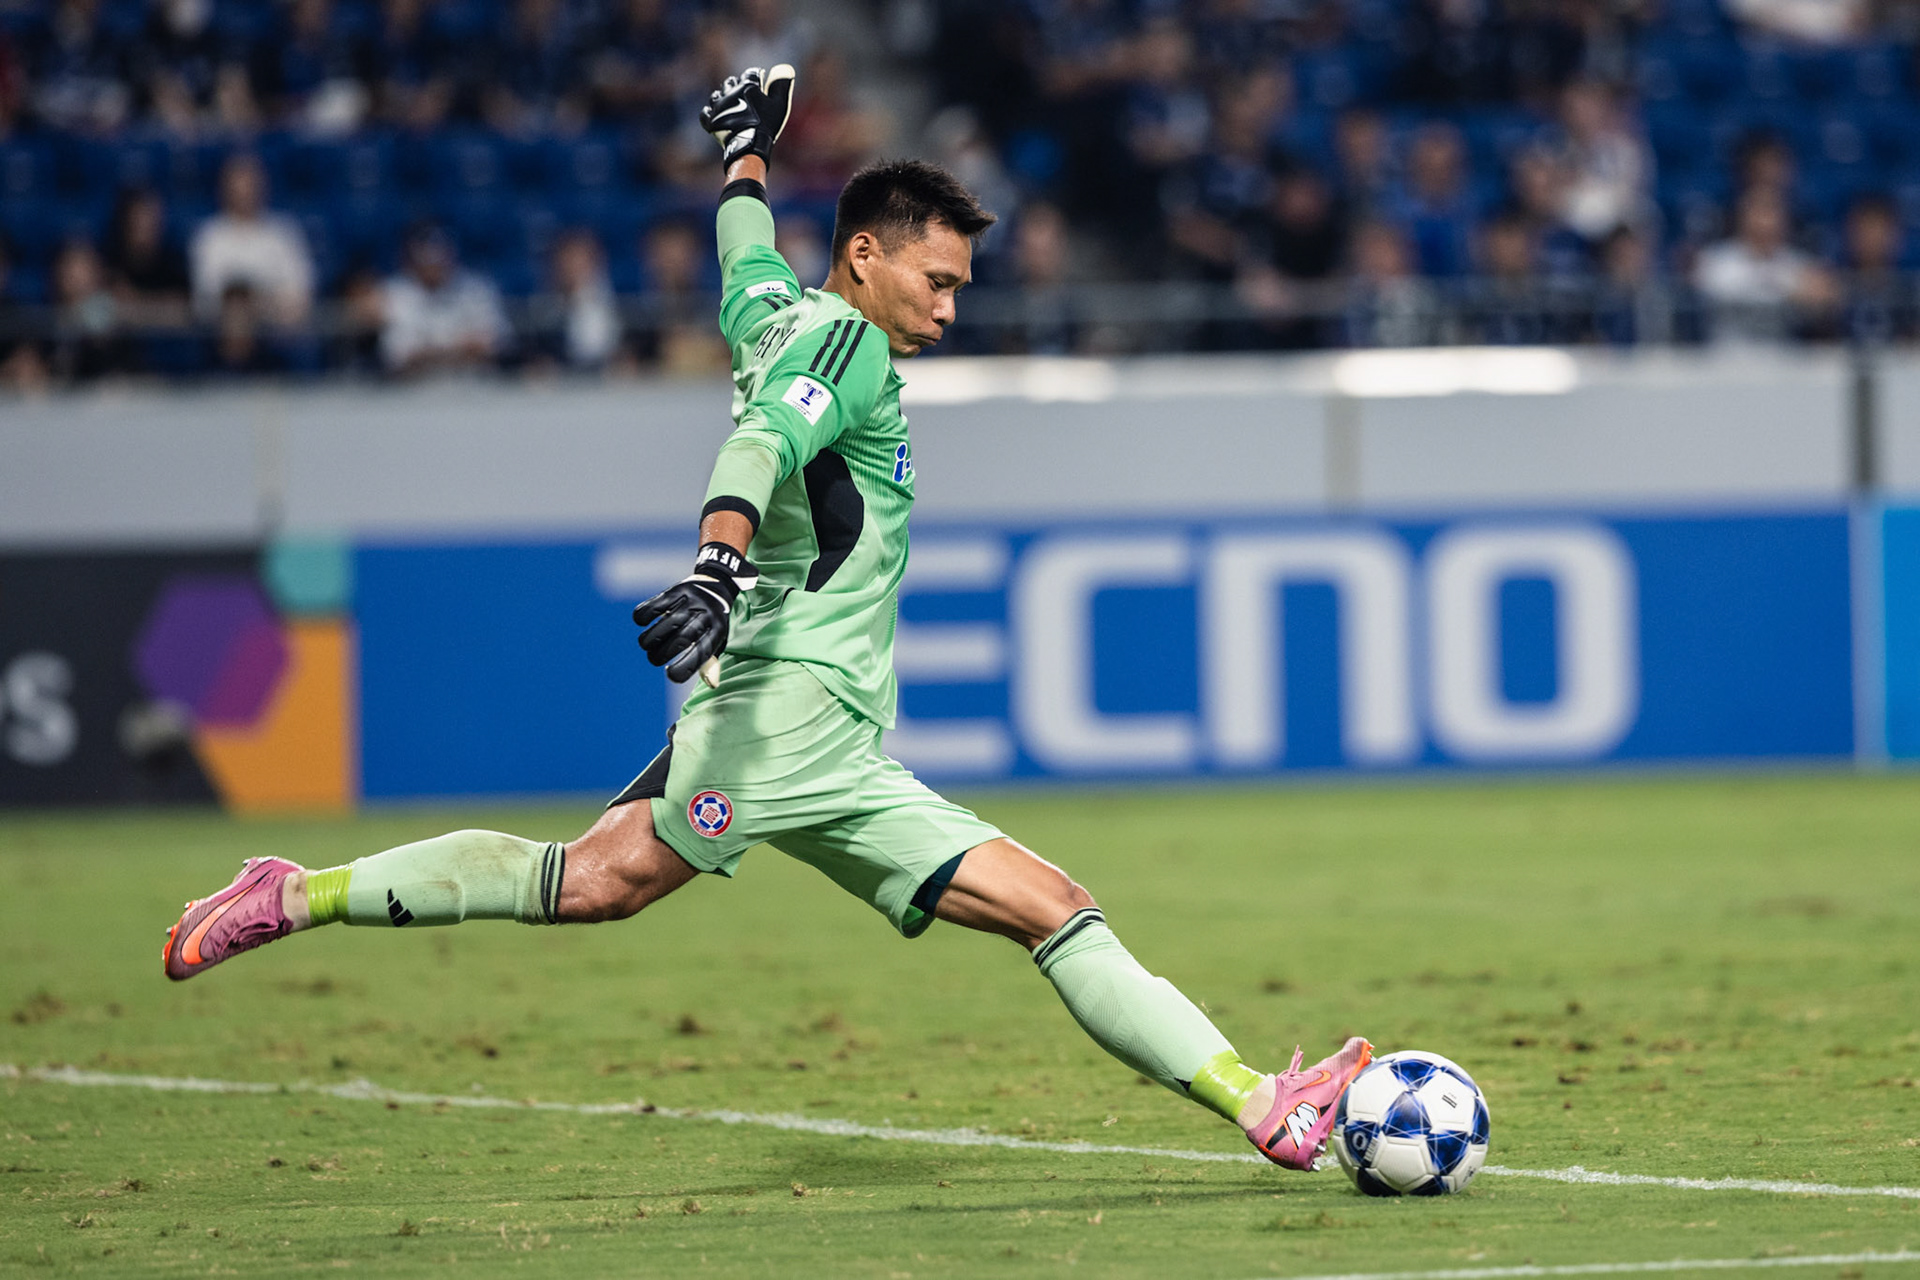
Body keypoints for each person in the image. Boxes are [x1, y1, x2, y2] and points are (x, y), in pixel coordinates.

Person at [162, 64, 1372, 1175]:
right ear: (865, 256)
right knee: (597, 881)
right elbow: (762, 439)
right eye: (937, 279)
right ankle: (299, 890)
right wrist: (717, 562)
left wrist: (745, 154)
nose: (951, 308)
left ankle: (1265, 1102)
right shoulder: (843, 342)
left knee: (1046, 903)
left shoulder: (777, 314)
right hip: (787, 717)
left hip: (828, 734)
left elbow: (745, 255)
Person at [189, 154, 314, 327]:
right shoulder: (209, 235)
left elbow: (301, 291)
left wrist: (258, 304)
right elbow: (205, 298)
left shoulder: (283, 232)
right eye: (238, 185)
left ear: (262, 186)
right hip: (222, 335)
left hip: (275, 334)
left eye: (250, 184)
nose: (244, 192)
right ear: (225, 188)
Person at [378, 223, 509, 375]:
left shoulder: (476, 288)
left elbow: (496, 342)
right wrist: (459, 347)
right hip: (415, 387)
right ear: (412, 259)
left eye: (439, 255)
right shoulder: (395, 292)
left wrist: (432, 350)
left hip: (475, 381)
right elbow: (399, 353)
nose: (434, 265)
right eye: (426, 257)